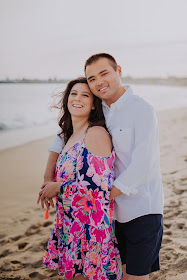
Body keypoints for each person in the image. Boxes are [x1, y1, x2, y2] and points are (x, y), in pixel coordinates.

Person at [44, 53, 164, 280]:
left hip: (142, 211)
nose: (98, 81)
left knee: (136, 277)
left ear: (118, 70)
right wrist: (47, 175)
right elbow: (65, 134)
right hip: (112, 216)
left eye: (104, 73)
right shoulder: (101, 109)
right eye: (91, 78)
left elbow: (143, 164)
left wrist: (101, 195)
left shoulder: (142, 108)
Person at [37, 77, 123, 280]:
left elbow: (99, 192)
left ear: (94, 105)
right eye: (74, 94)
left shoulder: (95, 134)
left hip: (90, 232)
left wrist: (57, 187)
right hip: (71, 227)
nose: (78, 98)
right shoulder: (70, 137)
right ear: (67, 99)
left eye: (85, 95)